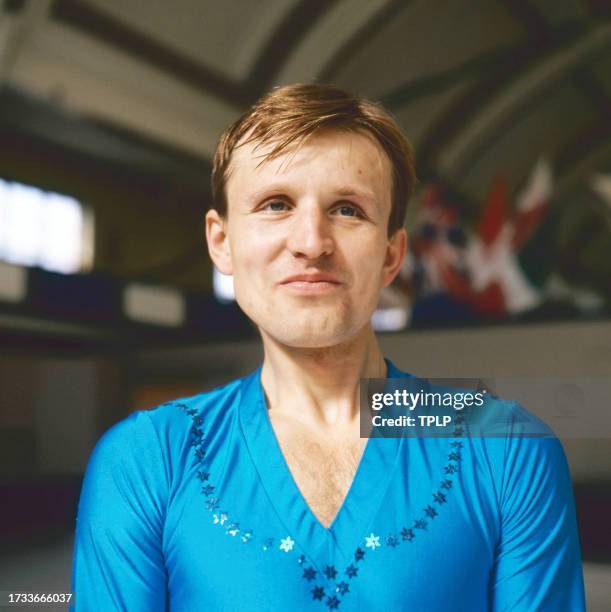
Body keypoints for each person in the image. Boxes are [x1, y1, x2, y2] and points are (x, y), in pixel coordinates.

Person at [71, 84, 585, 611]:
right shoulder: (145, 461)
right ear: (221, 242)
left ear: (391, 255)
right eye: (276, 204)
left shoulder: (506, 449)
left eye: (347, 209)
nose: (311, 241)